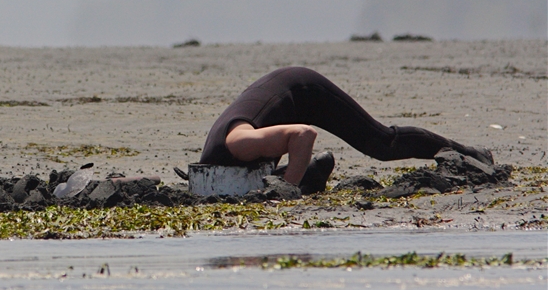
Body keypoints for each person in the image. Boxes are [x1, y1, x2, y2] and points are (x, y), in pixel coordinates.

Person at [199, 66, 492, 193]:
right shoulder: (219, 159)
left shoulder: (238, 144)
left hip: (304, 91)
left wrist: (287, 193)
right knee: (272, 177)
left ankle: (467, 153)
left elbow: (303, 135)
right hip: (279, 94)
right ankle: (312, 173)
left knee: (382, 144)